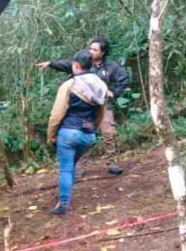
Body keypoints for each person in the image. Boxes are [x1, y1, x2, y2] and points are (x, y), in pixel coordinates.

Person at [36, 37, 129, 175]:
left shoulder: (111, 67)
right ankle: (82, 167)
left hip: (102, 106)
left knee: (109, 132)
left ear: (102, 52)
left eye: (95, 49)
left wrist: (114, 93)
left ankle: (112, 163)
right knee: (82, 134)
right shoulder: (84, 63)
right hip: (83, 108)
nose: (91, 51)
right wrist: (51, 63)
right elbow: (67, 65)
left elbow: (124, 79)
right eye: (90, 48)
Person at [46, 50, 108, 215]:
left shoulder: (69, 85)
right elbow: (101, 113)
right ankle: (62, 199)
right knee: (71, 165)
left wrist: (51, 136)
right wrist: (93, 129)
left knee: (66, 168)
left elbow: (56, 115)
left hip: (69, 134)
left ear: (75, 65)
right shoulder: (101, 85)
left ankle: (64, 204)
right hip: (88, 136)